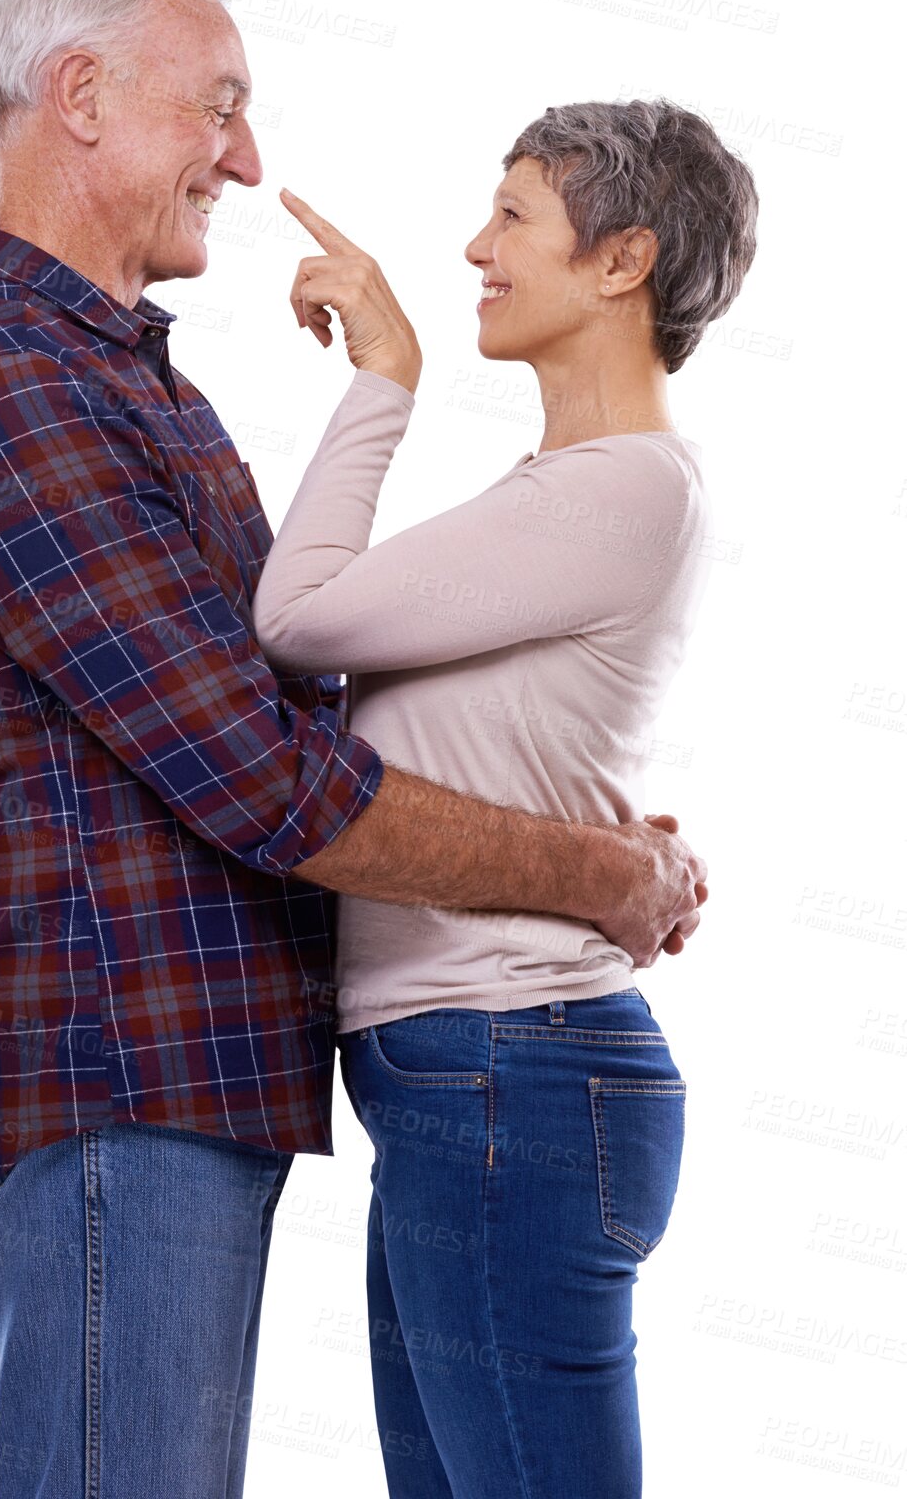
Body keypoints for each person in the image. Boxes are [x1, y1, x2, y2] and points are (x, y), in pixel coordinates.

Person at [0, 0, 708, 1498]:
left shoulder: (117, 379)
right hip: (120, 1076)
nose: (247, 163)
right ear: (83, 96)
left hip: (198, 1081)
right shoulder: (9, 384)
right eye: (220, 107)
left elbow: (291, 711)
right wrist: (596, 873)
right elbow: (269, 777)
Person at [250, 98, 758, 1496]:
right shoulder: (574, 494)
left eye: (514, 214)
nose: (478, 246)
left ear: (623, 261)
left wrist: (386, 378)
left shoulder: (621, 488)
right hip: (481, 1079)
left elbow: (295, 617)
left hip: (511, 1073)